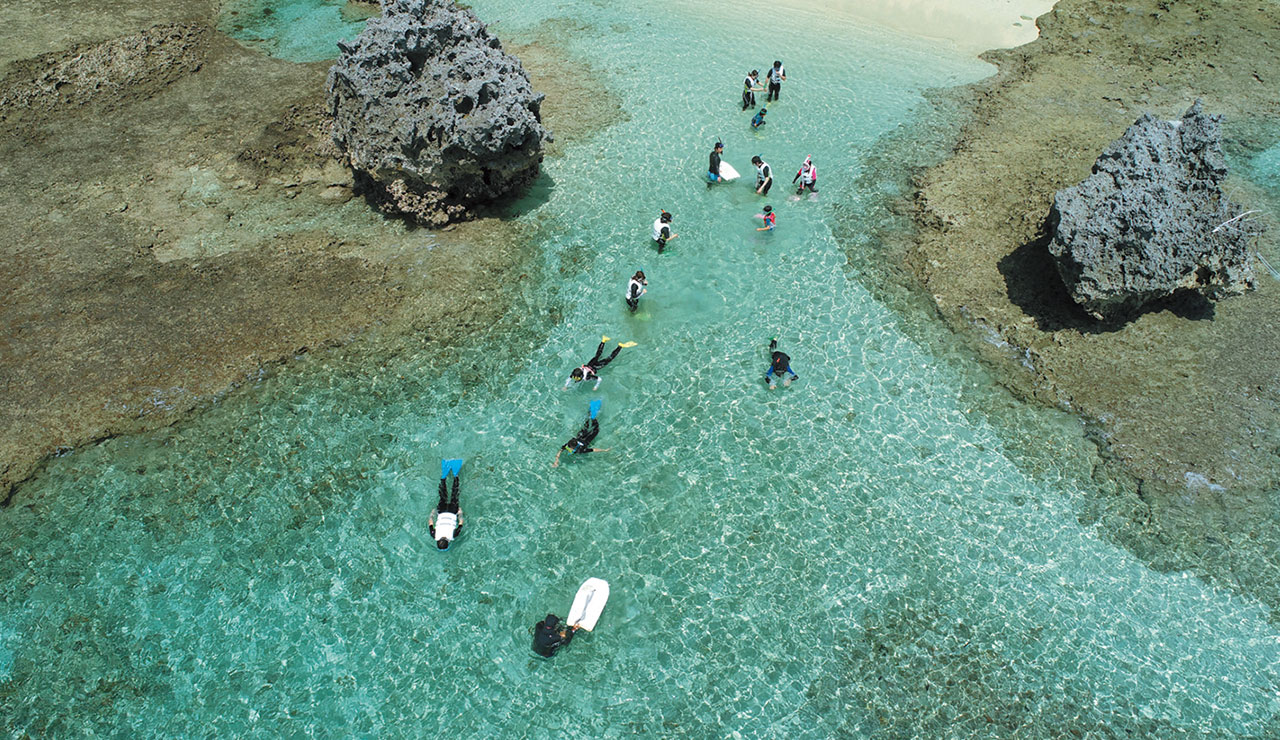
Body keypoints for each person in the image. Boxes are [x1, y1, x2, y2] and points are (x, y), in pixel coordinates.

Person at [564, 336, 631, 390]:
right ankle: (603, 340)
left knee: (609, 359)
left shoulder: (587, 377)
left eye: (577, 378)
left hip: (596, 366)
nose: (575, 379)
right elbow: (570, 378)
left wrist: (596, 386)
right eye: (575, 378)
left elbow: (599, 379)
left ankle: (620, 346)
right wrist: (565, 386)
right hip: (590, 363)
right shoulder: (575, 373)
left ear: (581, 376)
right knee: (598, 355)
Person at [429, 463, 464, 550]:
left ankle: (456, 476)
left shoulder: (453, 535)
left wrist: (460, 513)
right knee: (442, 496)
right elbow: (430, 521)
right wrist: (433, 513)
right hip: (441, 511)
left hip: (452, 512)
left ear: (448, 542)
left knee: (455, 495)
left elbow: (460, 523)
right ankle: (443, 478)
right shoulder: (434, 534)